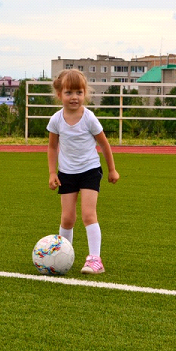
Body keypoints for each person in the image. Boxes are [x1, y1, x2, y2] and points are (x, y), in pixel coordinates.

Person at [47, 69, 119, 274]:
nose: (74, 97)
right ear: (59, 95)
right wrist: (53, 173)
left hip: (90, 171)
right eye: (69, 92)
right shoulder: (56, 120)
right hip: (67, 174)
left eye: (79, 92)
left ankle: (95, 259)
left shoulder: (89, 118)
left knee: (88, 214)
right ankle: (62, 255)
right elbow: (52, 147)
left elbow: (104, 144)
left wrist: (112, 170)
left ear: (85, 93)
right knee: (67, 218)